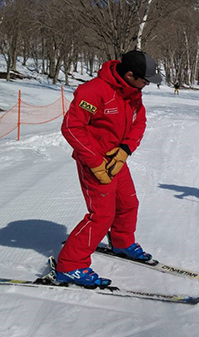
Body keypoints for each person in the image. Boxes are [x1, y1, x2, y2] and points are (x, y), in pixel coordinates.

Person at [55, 50, 162, 287]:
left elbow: (139, 121)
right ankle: (70, 266)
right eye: (145, 80)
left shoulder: (133, 92)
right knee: (102, 215)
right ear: (130, 74)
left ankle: (122, 242)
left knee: (128, 204)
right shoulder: (93, 91)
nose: (147, 85)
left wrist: (125, 149)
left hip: (115, 160)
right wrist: (94, 161)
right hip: (94, 162)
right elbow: (72, 127)